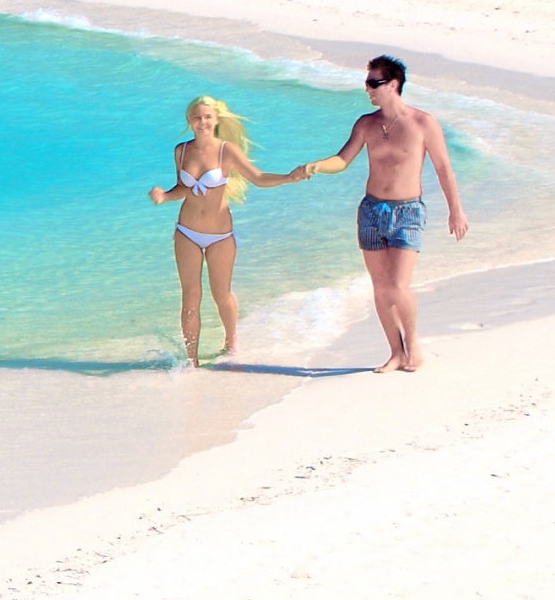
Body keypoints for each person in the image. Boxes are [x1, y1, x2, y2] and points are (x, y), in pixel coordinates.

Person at [302, 54, 467, 372]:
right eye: (367, 83)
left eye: (374, 83)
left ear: (393, 85)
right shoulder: (367, 124)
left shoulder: (423, 123)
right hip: (371, 211)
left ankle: (413, 344)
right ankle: (395, 352)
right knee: (379, 287)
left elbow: (444, 168)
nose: (368, 89)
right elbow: (343, 159)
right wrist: (316, 166)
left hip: (408, 212)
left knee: (398, 285)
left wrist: (455, 211)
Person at [148, 94, 306, 366]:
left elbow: (257, 178)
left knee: (221, 294)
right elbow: (182, 189)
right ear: (189, 121)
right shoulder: (181, 151)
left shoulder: (226, 150)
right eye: (196, 117)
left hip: (220, 236)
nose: (202, 122)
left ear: (216, 120)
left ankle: (231, 338)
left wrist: (288, 178)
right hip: (186, 232)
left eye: (207, 117)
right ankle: (191, 361)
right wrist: (164, 195)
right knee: (190, 297)